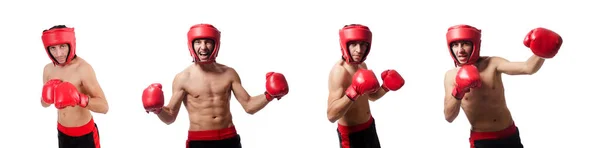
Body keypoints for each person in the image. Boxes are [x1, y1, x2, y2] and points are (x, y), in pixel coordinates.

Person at [141, 24, 290, 148]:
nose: (203, 47)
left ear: (216, 44)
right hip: (200, 141)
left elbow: (249, 106)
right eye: (198, 42)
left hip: (229, 138)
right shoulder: (183, 78)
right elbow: (170, 117)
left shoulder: (229, 73)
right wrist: (158, 109)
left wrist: (269, 95)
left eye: (208, 42)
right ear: (191, 45)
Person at [442, 24, 563, 148]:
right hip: (483, 141)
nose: (460, 50)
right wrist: (459, 90)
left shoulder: (492, 63)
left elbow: (527, 68)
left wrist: (541, 51)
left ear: (475, 44)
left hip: (509, 134)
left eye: (465, 44)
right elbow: (449, 117)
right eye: (455, 45)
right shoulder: (451, 76)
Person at [326, 24, 406, 148]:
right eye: (354, 44)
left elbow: (371, 97)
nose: (359, 50)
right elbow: (331, 115)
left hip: (369, 127)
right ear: (344, 44)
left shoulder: (362, 66)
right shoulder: (339, 72)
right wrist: (353, 91)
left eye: (363, 44)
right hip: (352, 136)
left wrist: (386, 87)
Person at [40, 25, 110, 148]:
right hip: (62, 132)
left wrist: (79, 99)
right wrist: (46, 98)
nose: (58, 53)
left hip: (85, 135)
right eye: (53, 48)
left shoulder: (83, 69)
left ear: (70, 44)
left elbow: (104, 107)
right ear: (48, 49)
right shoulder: (48, 70)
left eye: (62, 46)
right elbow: (44, 104)